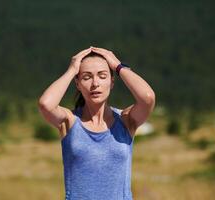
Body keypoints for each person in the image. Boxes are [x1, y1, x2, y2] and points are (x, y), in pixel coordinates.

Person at [38, 46, 155, 200]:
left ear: (112, 82)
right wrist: (72, 70)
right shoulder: (70, 121)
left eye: (102, 76)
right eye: (86, 77)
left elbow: (147, 98)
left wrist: (118, 66)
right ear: (78, 84)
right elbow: (46, 104)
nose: (95, 83)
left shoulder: (125, 120)